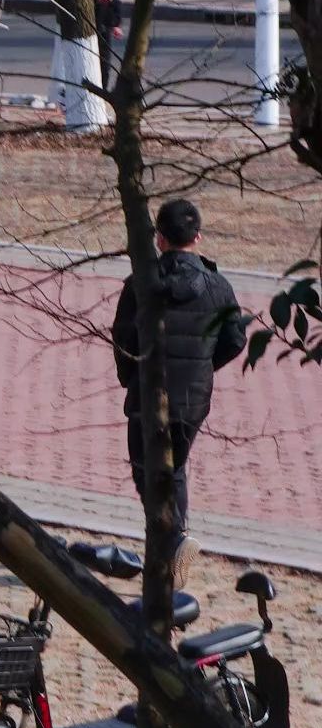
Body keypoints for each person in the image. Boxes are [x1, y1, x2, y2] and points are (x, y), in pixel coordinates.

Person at [111, 199, 243, 589]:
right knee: (176, 467)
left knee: (145, 470)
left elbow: (123, 338)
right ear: (198, 237)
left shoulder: (142, 284)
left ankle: (171, 543)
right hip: (193, 397)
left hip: (148, 393)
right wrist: (204, 364)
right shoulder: (219, 287)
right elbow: (235, 340)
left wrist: (130, 376)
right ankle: (173, 544)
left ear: (160, 238)